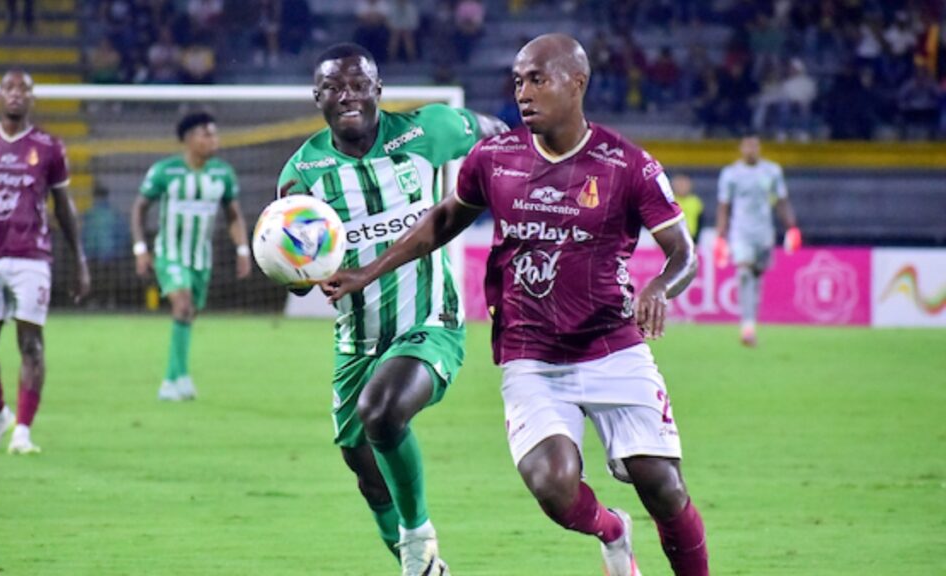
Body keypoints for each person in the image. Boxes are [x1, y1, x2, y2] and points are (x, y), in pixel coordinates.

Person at [323, 34, 709, 576]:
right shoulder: (495, 159)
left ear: (577, 84)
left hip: (611, 347)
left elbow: (683, 254)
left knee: (663, 487)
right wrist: (368, 270)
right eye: (518, 81)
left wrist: (658, 288)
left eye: (537, 79)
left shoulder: (627, 165)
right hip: (530, 354)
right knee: (554, 486)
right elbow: (441, 222)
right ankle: (612, 530)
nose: (523, 92)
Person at [277, 42, 506, 576]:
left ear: (378, 89)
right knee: (363, 466)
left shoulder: (429, 130)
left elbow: (497, 134)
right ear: (318, 97)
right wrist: (291, 267)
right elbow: (295, 282)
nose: (348, 95)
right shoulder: (302, 175)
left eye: (359, 84)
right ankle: (425, 568)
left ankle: (417, 541)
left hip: (431, 322)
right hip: (357, 339)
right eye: (335, 87)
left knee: (381, 413)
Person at [0, 70, 90, 454]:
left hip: (32, 256)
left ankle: (23, 431)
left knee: (32, 344)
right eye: (9, 88)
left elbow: (64, 208)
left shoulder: (48, 146)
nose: (16, 95)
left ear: (32, 98)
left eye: (23, 89)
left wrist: (79, 260)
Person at [131, 111, 250, 401]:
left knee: (189, 314)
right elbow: (139, 209)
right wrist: (141, 249)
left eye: (215, 133)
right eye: (206, 134)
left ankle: (181, 377)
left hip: (201, 258)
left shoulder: (222, 173)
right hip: (170, 254)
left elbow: (233, 215)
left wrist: (243, 249)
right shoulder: (165, 171)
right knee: (182, 306)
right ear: (188, 139)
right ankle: (169, 383)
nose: (214, 139)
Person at [714, 134, 800, 347]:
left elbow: (781, 201)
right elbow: (724, 205)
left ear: (759, 148)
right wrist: (721, 235)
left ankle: (751, 320)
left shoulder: (772, 171)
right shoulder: (731, 173)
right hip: (740, 232)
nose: (751, 149)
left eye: (754, 146)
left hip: (764, 234)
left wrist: (791, 227)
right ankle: (747, 326)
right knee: (744, 273)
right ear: (741, 148)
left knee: (756, 276)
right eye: (747, 146)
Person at [671, 174, 703, 244]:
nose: (682, 186)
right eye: (679, 184)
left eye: (684, 184)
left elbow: (700, 222)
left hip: (691, 239)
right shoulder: (669, 201)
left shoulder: (695, 202)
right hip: (672, 241)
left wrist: (696, 241)